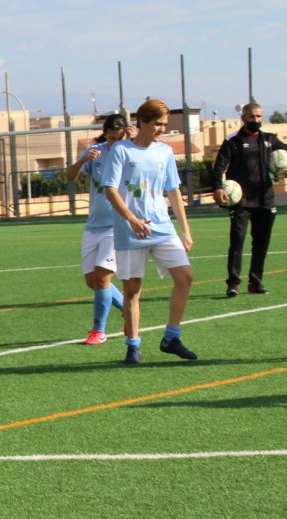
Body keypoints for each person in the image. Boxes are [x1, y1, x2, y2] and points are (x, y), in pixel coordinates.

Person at [102, 98, 197, 365]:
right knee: (132, 290)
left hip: (162, 228)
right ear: (141, 122)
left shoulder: (164, 152)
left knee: (185, 277)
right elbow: (110, 189)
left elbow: (174, 191)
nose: (162, 128)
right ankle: (133, 346)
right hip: (131, 231)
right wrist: (131, 219)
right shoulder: (121, 151)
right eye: (157, 123)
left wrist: (185, 229)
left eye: (165, 124)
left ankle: (172, 337)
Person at [212, 103, 287, 296]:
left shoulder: (269, 139)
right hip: (240, 201)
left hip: (265, 199)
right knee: (237, 241)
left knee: (261, 243)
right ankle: (233, 284)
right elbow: (219, 166)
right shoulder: (233, 141)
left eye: (259, 116)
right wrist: (218, 187)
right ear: (243, 118)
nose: (256, 120)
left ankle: (255, 282)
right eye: (252, 117)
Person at [66, 113, 131, 345]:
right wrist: (83, 160)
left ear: (126, 132)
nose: (113, 142)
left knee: (103, 277)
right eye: (110, 137)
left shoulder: (131, 152)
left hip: (117, 226)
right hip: (93, 226)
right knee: (92, 282)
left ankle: (98, 331)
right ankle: (128, 310)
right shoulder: (96, 151)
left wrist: (131, 145)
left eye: (118, 137)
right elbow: (69, 176)